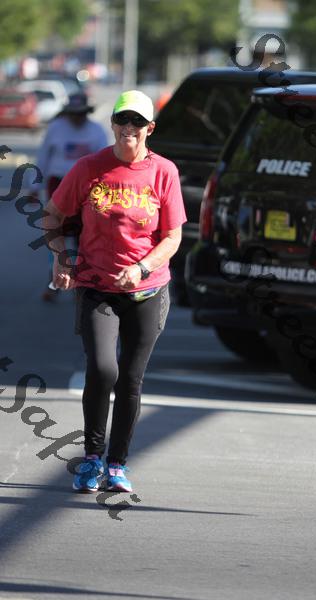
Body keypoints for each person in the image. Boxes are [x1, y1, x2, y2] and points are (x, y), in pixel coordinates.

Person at [43, 90, 186, 493]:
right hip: (96, 287)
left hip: (147, 290)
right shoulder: (89, 168)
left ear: (149, 128)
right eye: (123, 120)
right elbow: (52, 216)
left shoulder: (164, 172)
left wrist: (142, 267)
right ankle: (92, 458)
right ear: (113, 124)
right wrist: (61, 257)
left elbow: (173, 237)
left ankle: (117, 464)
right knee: (104, 369)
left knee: (131, 380)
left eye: (137, 122)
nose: (129, 128)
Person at [31, 93, 108, 301]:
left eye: (80, 114)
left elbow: (105, 162)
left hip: (86, 188)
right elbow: (43, 156)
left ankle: (80, 283)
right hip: (58, 184)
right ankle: (53, 282)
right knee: (56, 233)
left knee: (83, 236)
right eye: (73, 114)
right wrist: (35, 185)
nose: (76, 118)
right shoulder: (56, 128)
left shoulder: (96, 130)